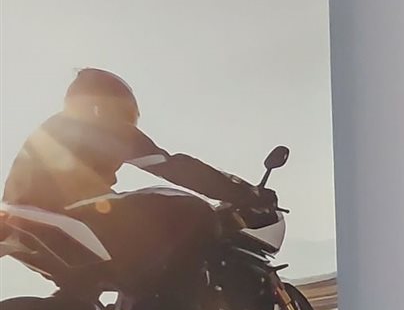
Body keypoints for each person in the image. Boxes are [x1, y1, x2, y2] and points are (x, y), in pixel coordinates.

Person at [3, 69, 267, 297]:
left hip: (28, 222)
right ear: (108, 103)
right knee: (197, 211)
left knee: (88, 287)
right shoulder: (97, 123)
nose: (128, 122)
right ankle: (175, 307)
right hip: (68, 213)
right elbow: (168, 165)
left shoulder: (51, 132)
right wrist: (243, 192)